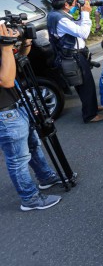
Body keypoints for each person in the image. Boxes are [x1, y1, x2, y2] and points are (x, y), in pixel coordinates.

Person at [0, 24, 63, 211]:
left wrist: (25, 42)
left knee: (34, 146)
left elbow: (17, 60)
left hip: (17, 107)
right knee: (18, 159)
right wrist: (5, 46)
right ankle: (29, 198)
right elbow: (7, 80)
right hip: (4, 114)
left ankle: (46, 177)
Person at [48, 0, 103, 123]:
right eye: (75, 2)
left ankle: (91, 107)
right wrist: (86, 14)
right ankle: (90, 115)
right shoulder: (61, 19)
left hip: (71, 54)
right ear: (66, 4)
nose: (77, 4)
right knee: (86, 85)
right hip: (73, 56)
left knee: (83, 84)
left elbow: (76, 27)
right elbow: (83, 32)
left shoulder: (55, 14)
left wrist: (82, 14)